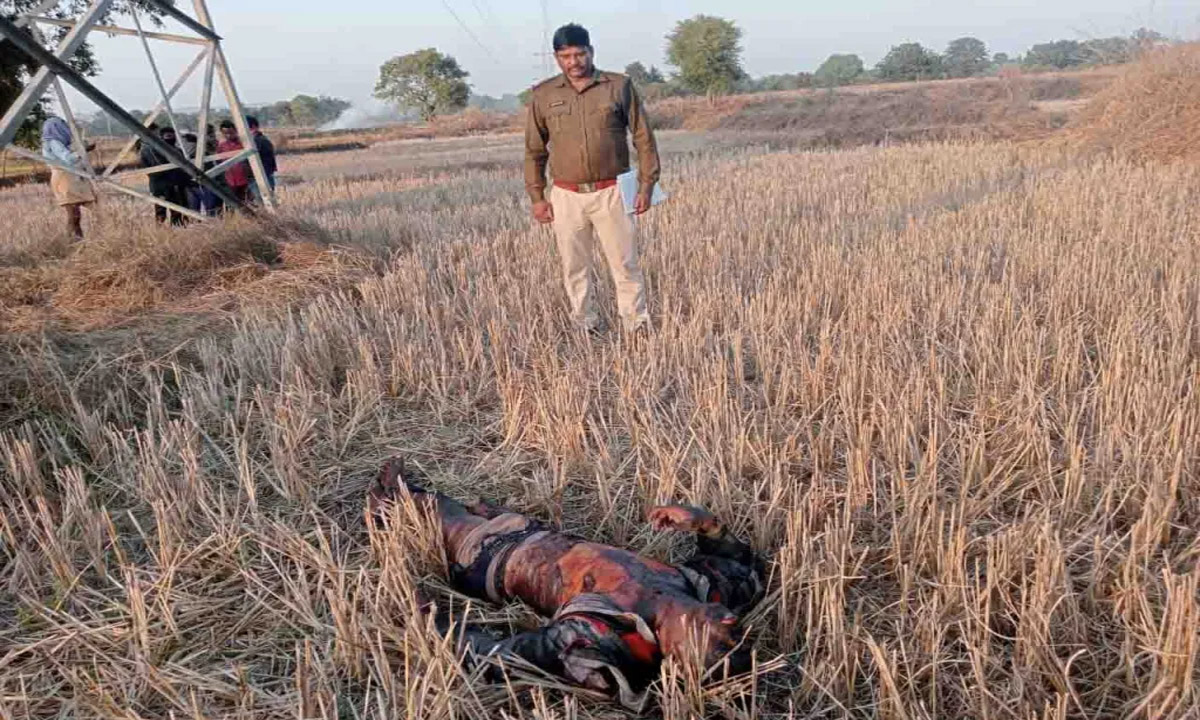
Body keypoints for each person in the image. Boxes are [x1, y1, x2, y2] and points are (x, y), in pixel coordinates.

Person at [367, 457, 766, 712]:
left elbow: (505, 657)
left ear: (680, 656)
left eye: (721, 645)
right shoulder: (700, 590)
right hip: (540, 533)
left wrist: (431, 625)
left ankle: (389, 503)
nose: (732, 624)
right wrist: (705, 523)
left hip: (493, 558)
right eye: (740, 634)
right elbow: (740, 565)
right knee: (463, 506)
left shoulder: (601, 638)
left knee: (425, 508)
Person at [525, 23, 661, 339]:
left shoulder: (619, 86)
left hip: (613, 191)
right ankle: (585, 323)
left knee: (625, 263)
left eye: (579, 54)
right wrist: (537, 196)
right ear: (557, 58)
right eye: (566, 56)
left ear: (591, 52)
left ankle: (636, 323)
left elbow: (644, 138)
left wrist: (646, 185)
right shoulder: (543, 95)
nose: (574, 62)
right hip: (566, 196)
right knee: (575, 267)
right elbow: (534, 150)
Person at [41, 115, 96, 240]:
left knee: (75, 214)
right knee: (73, 214)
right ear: (56, 128)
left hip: (67, 177)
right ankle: (73, 241)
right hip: (64, 179)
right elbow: (69, 159)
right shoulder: (53, 142)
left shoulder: (53, 142)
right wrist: (84, 150)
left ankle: (77, 240)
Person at [140, 125, 190, 226]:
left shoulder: (170, 148)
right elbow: (158, 167)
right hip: (162, 184)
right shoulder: (149, 148)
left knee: (174, 209)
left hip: (169, 183)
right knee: (164, 210)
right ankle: (166, 230)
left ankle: (174, 229)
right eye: (156, 133)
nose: (158, 136)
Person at [216, 119, 250, 203]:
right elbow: (219, 162)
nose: (228, 135)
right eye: (225, 133)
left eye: (231, 133)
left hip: (245, 179)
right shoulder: (221, 146)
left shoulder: (243, 143)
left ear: (235, 131)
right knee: (233, 204)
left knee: (248, 202)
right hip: (229, 181)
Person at [245, 115, 276, 204]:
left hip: (260, 178)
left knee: (263, 204)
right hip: (262, 176)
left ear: (253, 127)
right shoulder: (261, 139)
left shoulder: (257, 141)